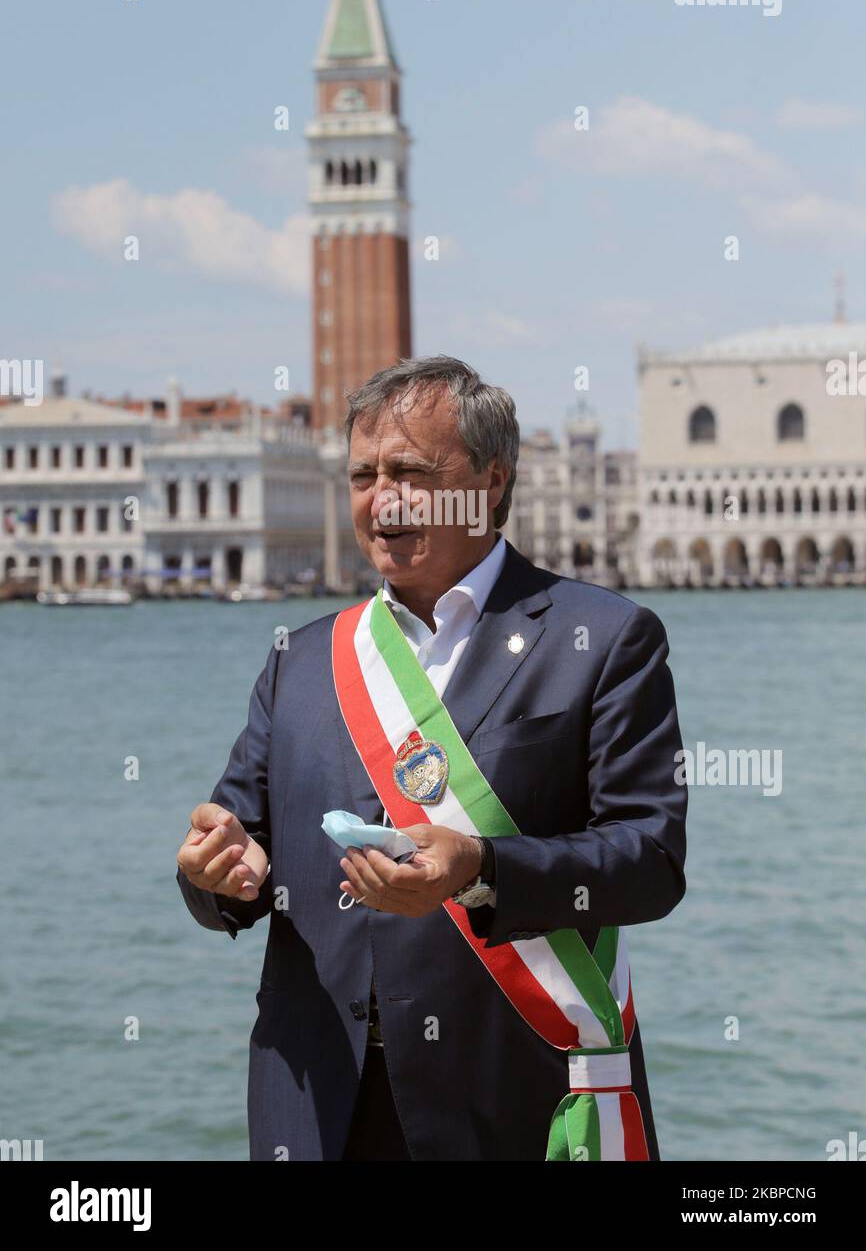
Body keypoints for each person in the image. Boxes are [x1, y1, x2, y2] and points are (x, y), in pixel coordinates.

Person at [176, 355, 687, 1161]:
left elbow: (650, 860)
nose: (383, 499)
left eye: (411, 472)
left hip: (510, 1102)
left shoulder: (604, 639)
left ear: (490, 480)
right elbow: (236, 859)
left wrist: (482, 867)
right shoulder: (300, 660)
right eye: (363, 475)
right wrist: (216, 875)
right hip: (313, 1107)